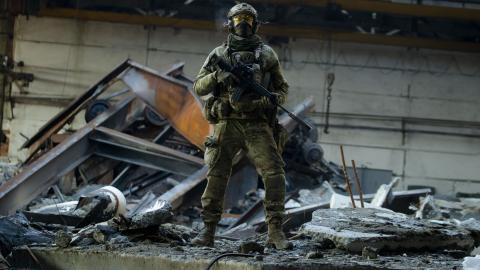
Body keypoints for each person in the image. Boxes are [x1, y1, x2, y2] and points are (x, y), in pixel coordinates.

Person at [191, 2, 292, 250]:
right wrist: (217, 76)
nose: (243, 24)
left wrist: (275, 98)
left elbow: (282, 88)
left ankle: (275, 232)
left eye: (247, 19)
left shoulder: (267, 54)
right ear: (230, 24)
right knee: (216, 175)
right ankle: (208, 232)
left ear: (255, 24)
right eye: (238, 19)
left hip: (257, 123)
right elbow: (199, 87)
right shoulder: (218, 55)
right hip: (227, 122)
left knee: (275, 174)